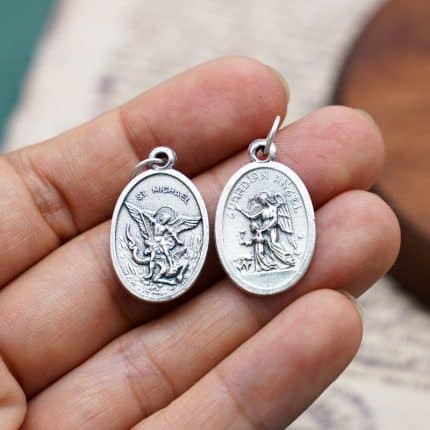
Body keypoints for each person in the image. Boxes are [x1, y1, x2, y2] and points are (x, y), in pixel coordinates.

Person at [0, 57, 400, 429]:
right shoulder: (158, 226)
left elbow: (201, 224)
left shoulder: (256, 213)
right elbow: (157, 225)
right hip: (162, 261)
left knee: (270, 252)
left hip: (246, 246)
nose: (163, 223)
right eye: (161, 220)